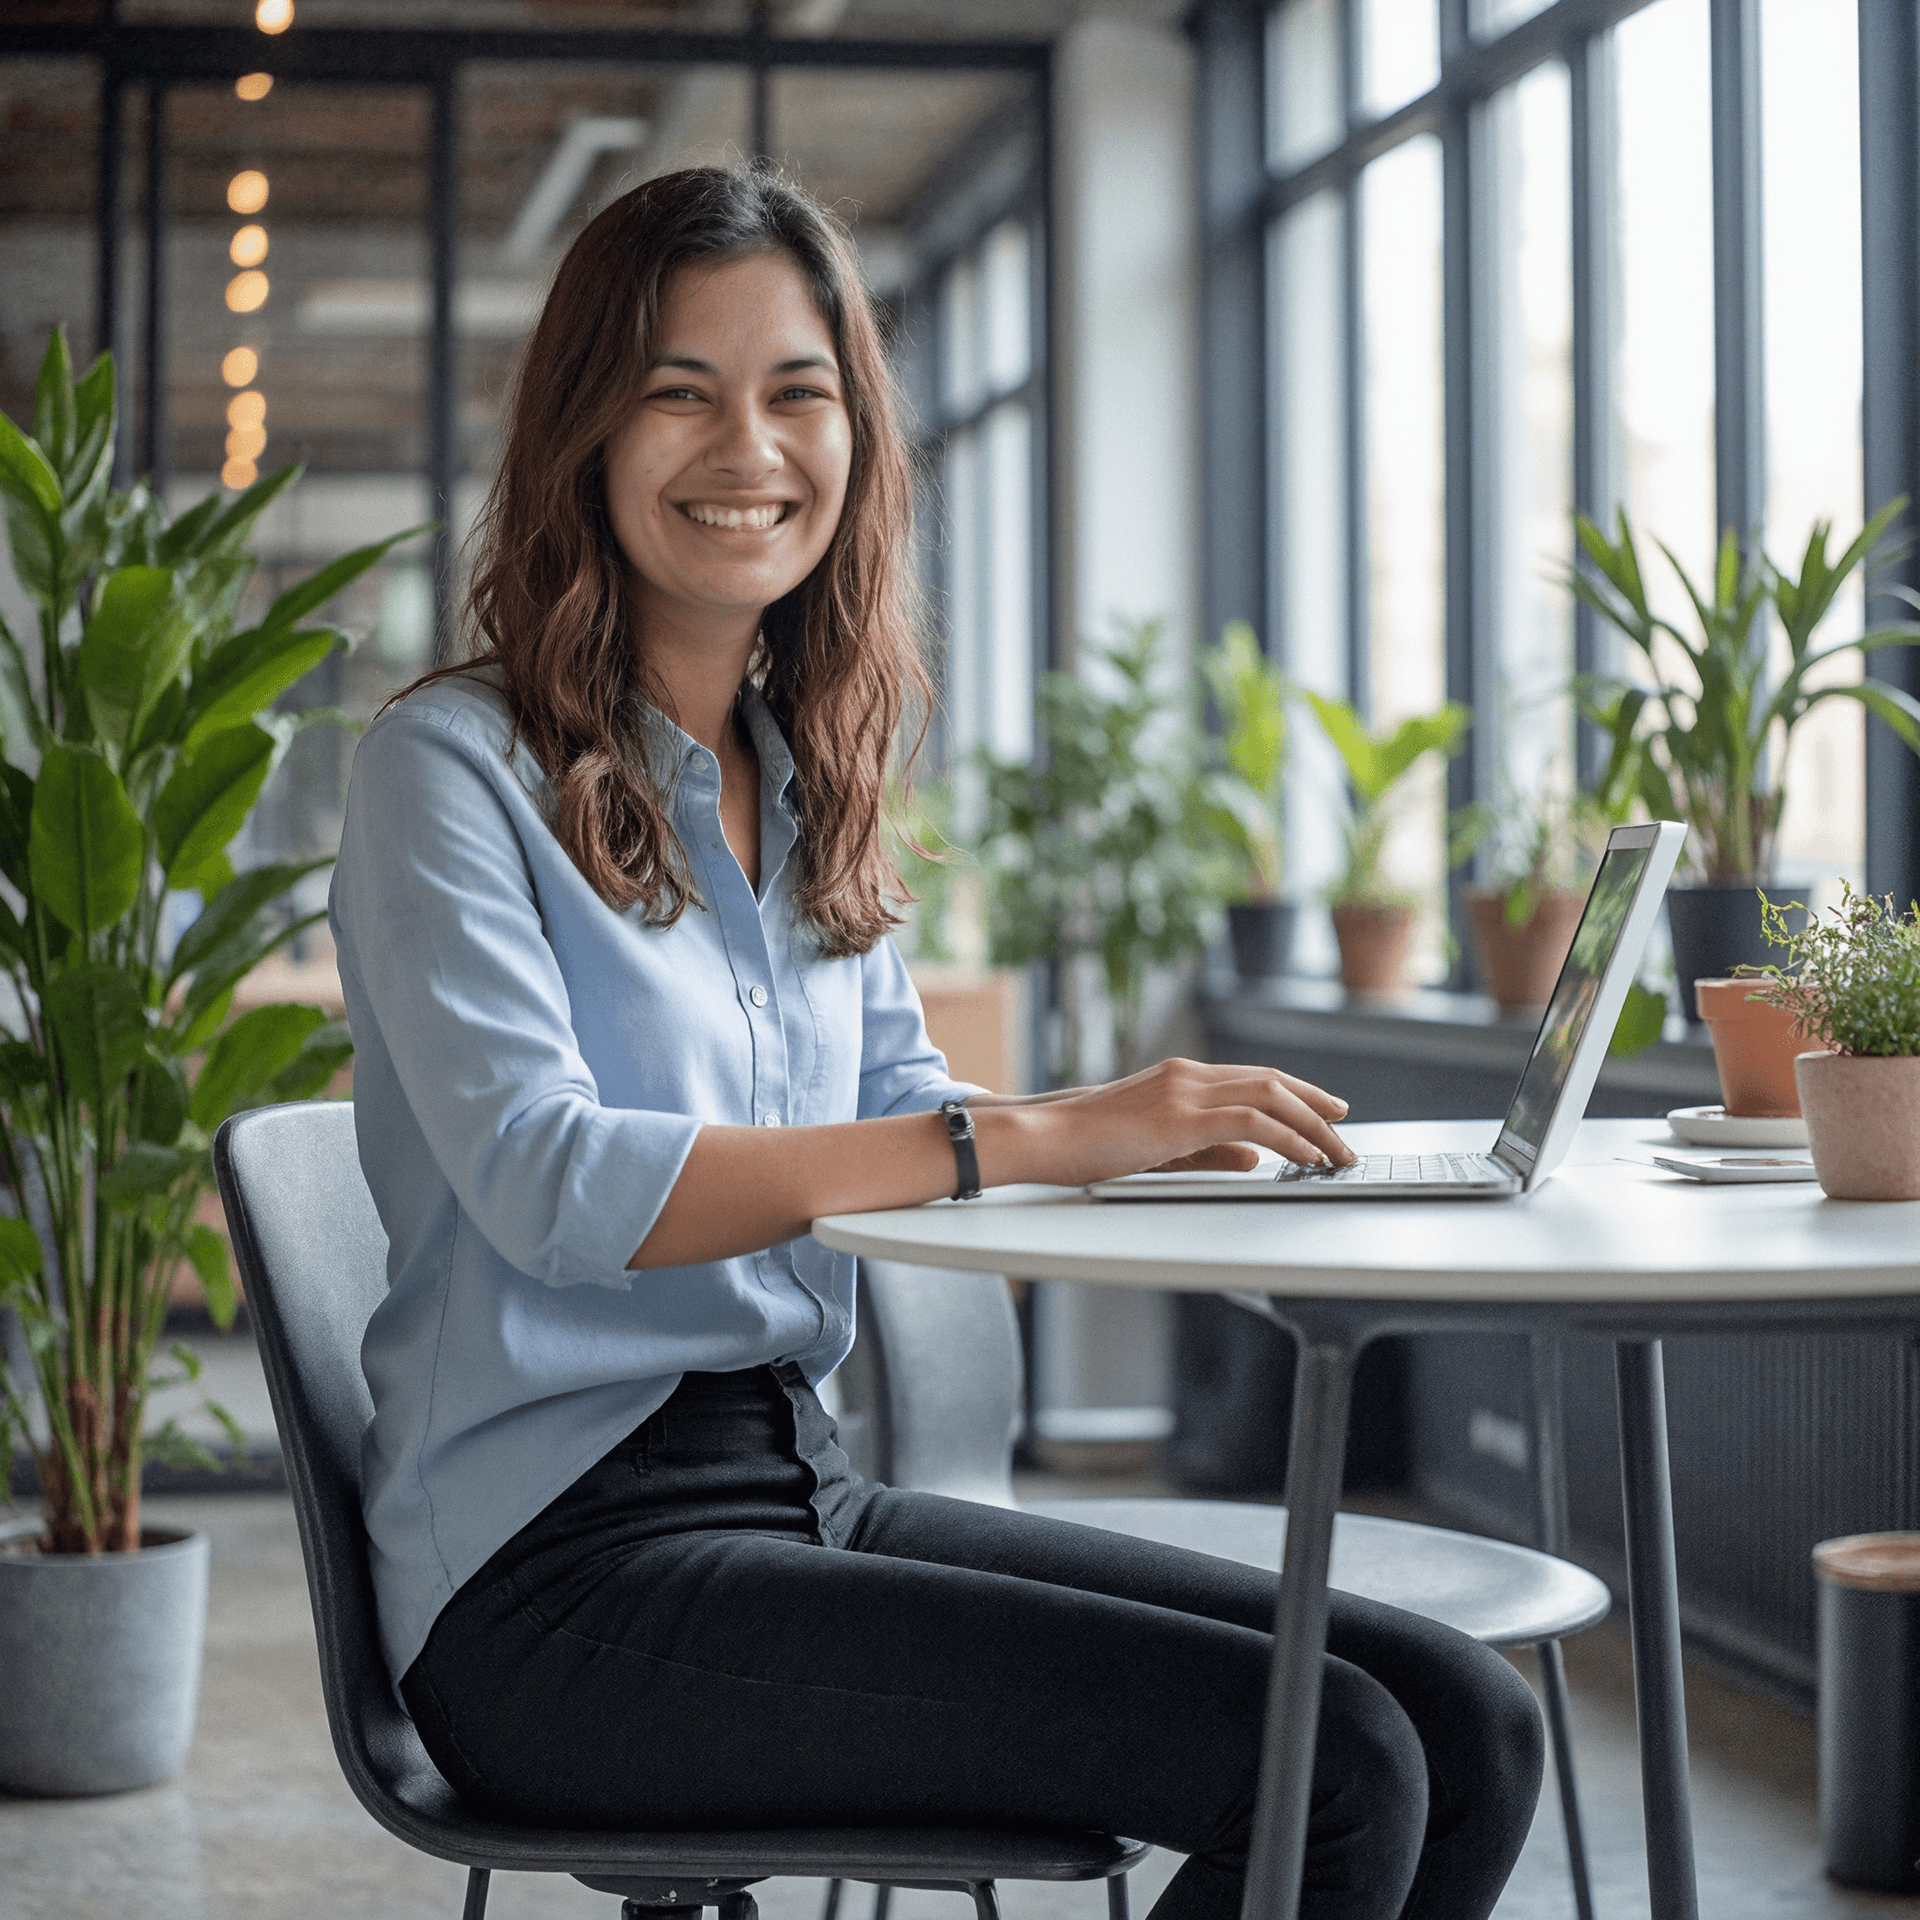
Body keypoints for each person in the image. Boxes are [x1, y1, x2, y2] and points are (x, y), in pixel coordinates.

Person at [329, 165, 1543, 1920]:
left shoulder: (802, 771)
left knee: (1469, 1721)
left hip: (796, 1484)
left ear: (855, 438)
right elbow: (549, 1181)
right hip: (556, 1579)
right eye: (679, 390)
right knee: (1333, 1766)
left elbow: (903, 1108)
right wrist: (1042, 1134)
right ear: (585, 433)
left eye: (795, 391)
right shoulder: (448, 769)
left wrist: (1134, 1137)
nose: (746, 446)